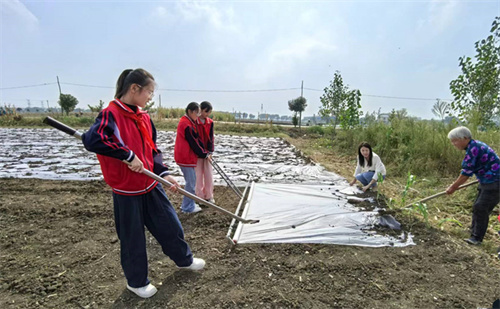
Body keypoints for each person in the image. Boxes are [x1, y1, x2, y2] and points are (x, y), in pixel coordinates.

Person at [82, 69, 205, 299]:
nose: (150, 96)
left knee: (170, 225)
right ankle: (136, 282)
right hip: (126, 190)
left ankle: (184, 260)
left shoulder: (144, 117)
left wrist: (163, 172)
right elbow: (94, 139)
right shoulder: (111, 114)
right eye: (149, 91)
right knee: (133, 239)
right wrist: (127, 156)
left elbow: (152, 150)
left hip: (150, 184)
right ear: (134, 88)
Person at [445, 126, 500, 245]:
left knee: (481, 208)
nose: (453, 144)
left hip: (494, 182)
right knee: (477, 206)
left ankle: (477, 238)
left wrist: (453, 187)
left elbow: (466, 173)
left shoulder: (474, 149)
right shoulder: (474, 145)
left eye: (455, 140)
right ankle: (474, 232)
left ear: (465, 138)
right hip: (487, 181)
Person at [174, 102, 211, 213]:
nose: (198, 115)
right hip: (185, 156)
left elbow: (197, 139)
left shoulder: (190, 122)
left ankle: (188, 204)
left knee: (192, 181)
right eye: (197, 112)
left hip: (186, 156)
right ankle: (187, 207)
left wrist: (205, 152)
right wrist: (203, 154)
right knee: (191, 183)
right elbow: (193, 142)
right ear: (190, 111)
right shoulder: (186, 124)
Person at [195, 101, 215, 203]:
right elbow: (195, 139)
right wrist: (200, 151)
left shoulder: (210, 122)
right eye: (206, 112)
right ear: (200, 110)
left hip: (207, 153)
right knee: (198, 175)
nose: (207, 114)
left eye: (209, 112)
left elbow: (211, 138)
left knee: (208, 174)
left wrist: (210, 151)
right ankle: (199, 197)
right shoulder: (195, 122)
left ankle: (209, 195)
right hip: (197, 153)